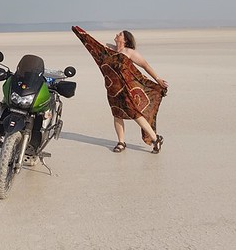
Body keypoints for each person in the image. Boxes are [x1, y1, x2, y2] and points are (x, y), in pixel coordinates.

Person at [71, 26, 168, 154]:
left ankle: (155, 139)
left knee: (134, 113)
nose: (117, 34)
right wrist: (81, 34)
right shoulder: (109, 49)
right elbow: (93, 44)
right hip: (112, 88)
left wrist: (158, 79)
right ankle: (121, 142)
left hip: (127, 88)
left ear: (125, 39)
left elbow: (145, 65)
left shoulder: (130, 52)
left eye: (120, 34)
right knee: (116, 114)